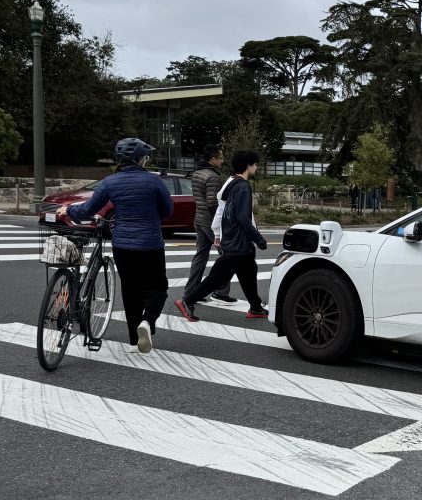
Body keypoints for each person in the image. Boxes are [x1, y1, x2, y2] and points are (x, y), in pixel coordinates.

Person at [56, 138, 172, 354]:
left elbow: (88, 209)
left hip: (123, 246)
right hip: (150, 244)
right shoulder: (154, 181)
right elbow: (167, 210)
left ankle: (133, 339)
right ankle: (146, 322)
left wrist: (68, 210)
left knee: (131, 289)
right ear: (140, 159)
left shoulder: (110, 182)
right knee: (158, 288)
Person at [176, 150, 268, 322]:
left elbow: (221, 207)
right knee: (218, 277)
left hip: (236, 241)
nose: (256, 167)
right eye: (255, 164)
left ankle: (255, 307)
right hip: (237, 242)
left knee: (249, 272)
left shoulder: (232, 183)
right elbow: (243, 217)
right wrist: (258, 239)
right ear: (248, 165)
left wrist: (219, 232)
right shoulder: (243, 187)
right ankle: (187, 301)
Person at [183, 144, 235, 303]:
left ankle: (191, 292)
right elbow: (213, 203)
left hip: (199, 219)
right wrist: (221, 222)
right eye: (220, 158)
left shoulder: (197, 173)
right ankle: (221, 292)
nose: (222, 161)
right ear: (212, 159)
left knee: (200, 257)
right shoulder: (212, 177)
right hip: (210, 222)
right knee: (227, 256)